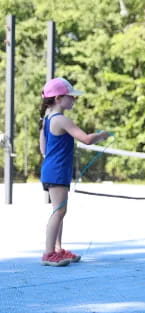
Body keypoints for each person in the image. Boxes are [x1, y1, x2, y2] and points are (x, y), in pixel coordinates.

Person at [39, 77, 111, 266]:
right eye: (71, 97)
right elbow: (86, 139)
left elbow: (43, 149)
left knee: (59, 211)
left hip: (52, 170)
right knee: (59, 211)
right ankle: (48, 253)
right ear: (57, 98)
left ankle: (57, 249)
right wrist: (102, 135)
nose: (74, 100)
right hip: (57, 172)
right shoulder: (61, 119)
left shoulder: (47, 119)